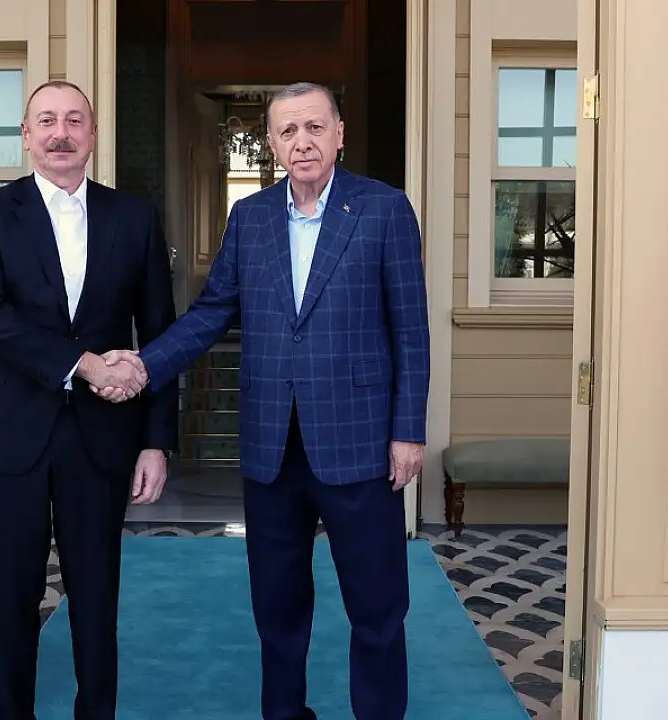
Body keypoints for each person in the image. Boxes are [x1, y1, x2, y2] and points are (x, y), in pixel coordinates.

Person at [96, 81, 429, 720]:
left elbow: (410, 330)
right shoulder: (249, 218)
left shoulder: (385, 210)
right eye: (287, 131)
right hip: (271, 446)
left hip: (362, 441)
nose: (301, 142)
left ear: (339, 134)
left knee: (378, 609)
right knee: (276, 608)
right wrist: (143, 364)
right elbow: (212, 311)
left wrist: (407, 431)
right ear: (272, 143)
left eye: (314, 127)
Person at [0, 79, 179, 720]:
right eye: (46, 120)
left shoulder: (134, 217)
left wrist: (156, 440)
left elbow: (159, 335)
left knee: (97, 598)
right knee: (11, 598)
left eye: (75, 120)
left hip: (103, 438)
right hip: (8, 435)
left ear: (92, 134)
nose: (61, 133)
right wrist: (83, 364)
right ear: (26, 135)